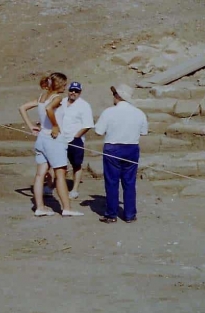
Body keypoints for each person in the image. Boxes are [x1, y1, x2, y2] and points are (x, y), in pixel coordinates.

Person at [18, 72, 83, 217]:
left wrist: (30, 126)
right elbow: (49, 109)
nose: (66, 87)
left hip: (41, 138)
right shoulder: (56, 97)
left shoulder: (42, 97)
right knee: (60, 174)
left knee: (40, 174)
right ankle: (67, 208)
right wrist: (55, 126)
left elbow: (22, 108)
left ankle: (40, 207)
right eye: (64, 84)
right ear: (58, 84)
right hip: (53, 140)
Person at [94, 84, 148, 223]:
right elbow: (144, 132)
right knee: (129, 182)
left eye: (114, 94)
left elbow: (98, 131)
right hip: (131, 148)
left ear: (118, 96)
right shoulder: (139, 113)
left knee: (112, 182)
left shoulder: (108, 112)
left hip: (113, 147)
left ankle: (111, 214)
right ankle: (130, 214)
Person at [60, 81, 94, 200]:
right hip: (60, 138)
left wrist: (76, 137)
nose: (73, 93)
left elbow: (88, 124)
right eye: (71, 90)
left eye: (76, 91)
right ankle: (53, 185)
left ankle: (74, 189)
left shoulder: (84, 105)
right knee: (57, 163)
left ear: (80, 92)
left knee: (76, 164)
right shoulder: (61, 102)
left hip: (75, 139)